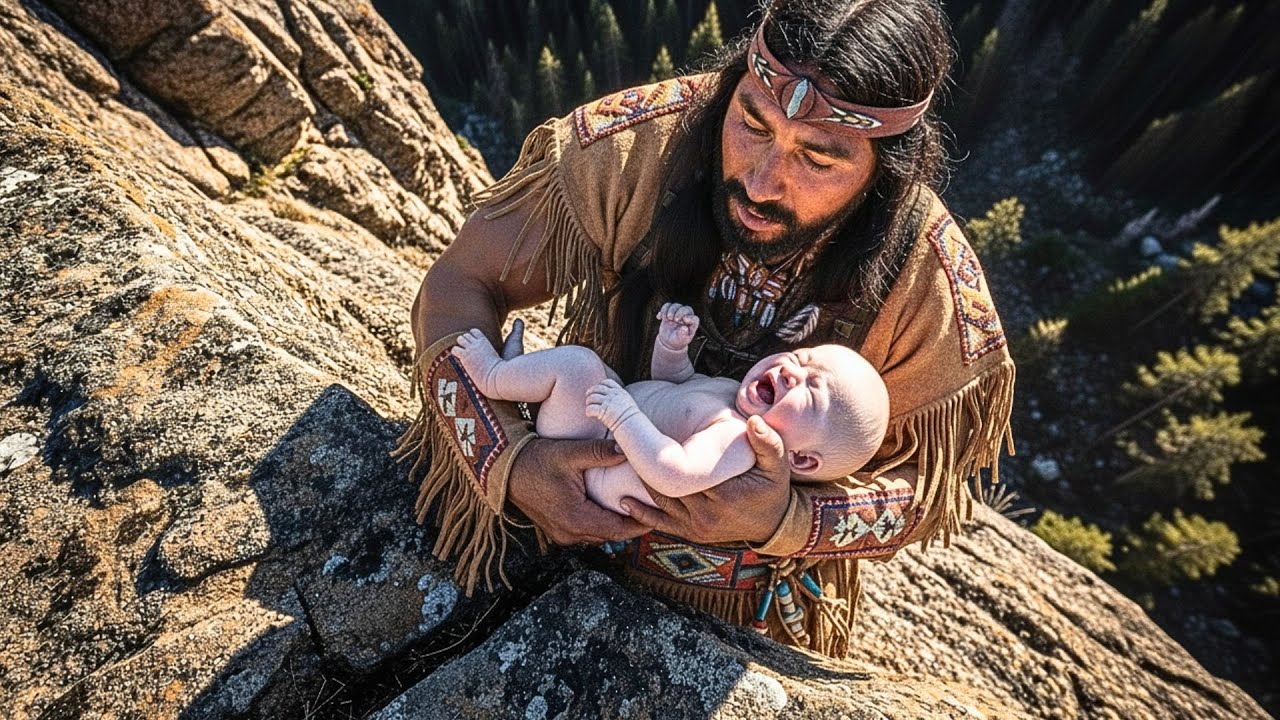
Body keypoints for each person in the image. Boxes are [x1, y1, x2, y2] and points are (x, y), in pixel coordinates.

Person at [397, 0, 1014, 656]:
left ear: (885, 164)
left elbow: (932, 491)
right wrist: (509, 458)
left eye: (819, 158)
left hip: (742, 613)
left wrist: (786, 518)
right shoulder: (634, 144)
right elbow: (458, 285)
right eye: (750, 122)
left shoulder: (930, 282)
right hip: (528, 528)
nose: (761, 180)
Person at [450, 302, 890, 514]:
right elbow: (671, 386)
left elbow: (674, 474)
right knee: (592, 368)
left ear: (801, 459)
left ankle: (490, 376)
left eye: (811, 391)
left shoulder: (737, 442)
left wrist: (624, 417)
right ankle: (514, 376)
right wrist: (672, 348)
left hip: (589, 463)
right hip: (596, 431)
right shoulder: (729, 394)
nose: (793, 370)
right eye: (801, 357)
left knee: (580, 366)